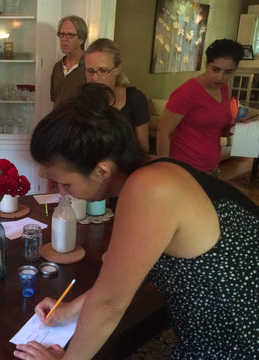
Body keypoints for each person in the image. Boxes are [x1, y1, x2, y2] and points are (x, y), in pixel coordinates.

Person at [14, 83, 259, 359]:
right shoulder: (152, 170)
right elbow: (123, 276)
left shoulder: (149, 188)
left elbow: (110, 304)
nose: (60, 192)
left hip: (240, 337)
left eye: (65, 183)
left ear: (101, 170)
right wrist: (70, 309)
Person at [156, 39, 244, 174]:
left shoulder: (223, 89)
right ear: (206, 64)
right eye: (215, 69)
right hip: (184, 167)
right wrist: (165, 169)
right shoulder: (188, 92)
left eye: (228, 72)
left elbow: (218, 130)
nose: (220, 77)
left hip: (211, 166)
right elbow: (163, 131)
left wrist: (239, 127)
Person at [84, 38, 150, 152]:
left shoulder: (135, 99)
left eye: (103, 70)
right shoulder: (82, 101)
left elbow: (143, 146)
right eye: (90, 71)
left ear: (117, 69)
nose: (94, 78)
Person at [50, 15, 88, 108]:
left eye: (70, 35)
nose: (64, 39)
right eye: (61, 34)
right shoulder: (58, 67)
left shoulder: (90, 66)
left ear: (81, 39)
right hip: (59, 121)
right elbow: (55, 99)